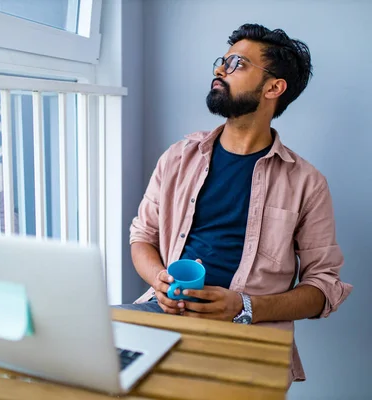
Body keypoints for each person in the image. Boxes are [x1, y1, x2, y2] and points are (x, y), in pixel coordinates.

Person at [115, 23, 353, 384]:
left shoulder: (307, 183)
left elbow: (324, 287)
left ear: (274, 87)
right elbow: (142, 237)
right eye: (222, 61)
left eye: (237, 64)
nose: (219, 70)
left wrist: (244, 307)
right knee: (88, 344)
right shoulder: (177, 158)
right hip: (163, 314)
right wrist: (159, 281)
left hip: (249, 335)